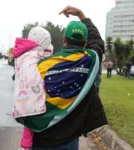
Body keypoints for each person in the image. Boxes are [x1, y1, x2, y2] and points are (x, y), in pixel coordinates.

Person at [27, 6, 107, 150]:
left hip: (42, 138)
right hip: (69, 141)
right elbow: (97, 40)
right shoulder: (90, 60)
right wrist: (81, 14)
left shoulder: (42, 65)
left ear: (64, 40)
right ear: (84, 43)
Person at [12, 26, 53, 150]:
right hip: (35, 92)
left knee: (29, 119)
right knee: (33, 114)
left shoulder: (23, 52)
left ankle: (25, 145)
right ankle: (25, 145)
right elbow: (31, 74)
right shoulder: (34, 55)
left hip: (24, 93)